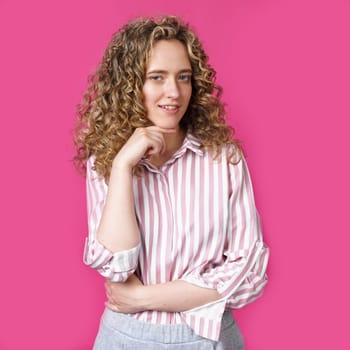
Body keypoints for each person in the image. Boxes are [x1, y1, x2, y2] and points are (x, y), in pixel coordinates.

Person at [74, 15, 269, 350]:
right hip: (124, 340)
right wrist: (122, 166)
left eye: (183, 77)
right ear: (130, 85)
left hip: (210, 339)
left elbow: (248, 276)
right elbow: (117, 266)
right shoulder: (107, 162)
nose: (174, 93)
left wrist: (142, 298)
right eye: (156, 78)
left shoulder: (225, 159)